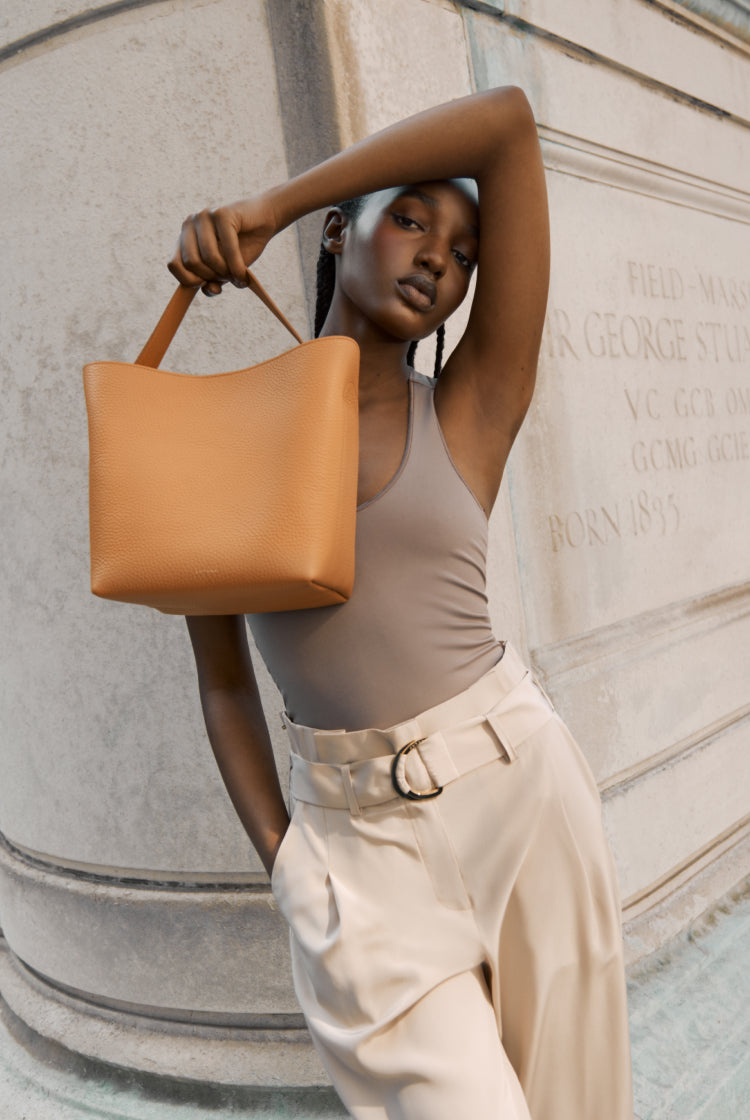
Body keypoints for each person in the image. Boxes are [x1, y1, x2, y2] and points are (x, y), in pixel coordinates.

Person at [168, 85, 634, 1120]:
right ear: (348, 229)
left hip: (522, 795)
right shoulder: (226, 445)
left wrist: (272, 203)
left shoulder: (473, 408)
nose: (438, 257)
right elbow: (225, 687)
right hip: (357, 861)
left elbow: (508, 122)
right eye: (412, 217)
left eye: (465, 249)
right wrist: (287, 862)